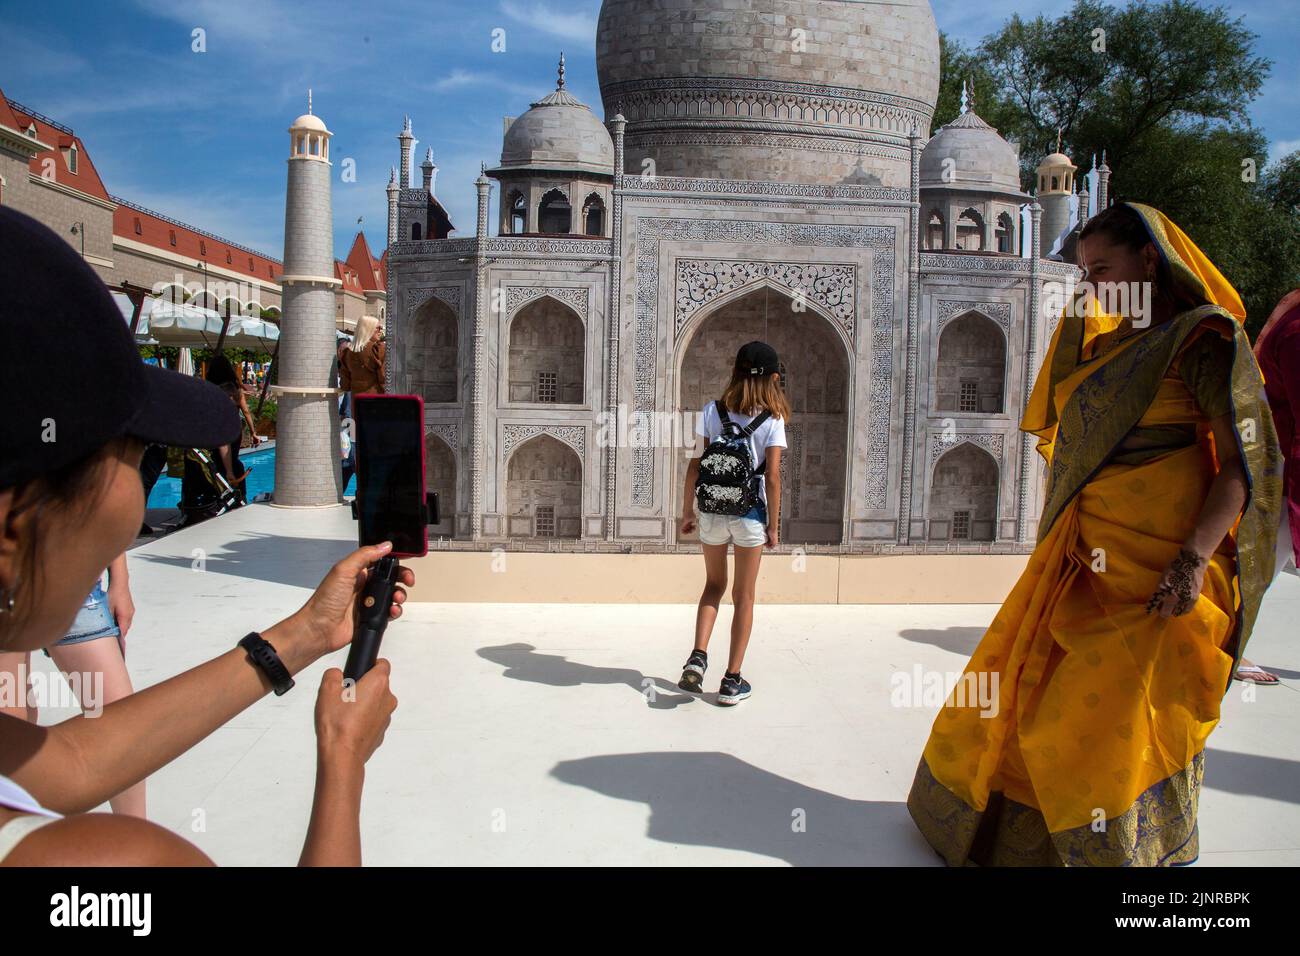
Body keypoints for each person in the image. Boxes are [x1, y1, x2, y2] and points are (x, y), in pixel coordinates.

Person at [0, 206, 413, 865]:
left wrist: (301, 635)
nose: (139, 486)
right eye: (135, 455)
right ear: (17, 523)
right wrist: (344, 759)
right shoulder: (98, 861)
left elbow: (73, 759)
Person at [906, 202, 1282, 866]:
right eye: (1085, 273)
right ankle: (1034, 838)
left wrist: (1193, 560)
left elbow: (1243, 468)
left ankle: (1123, 845)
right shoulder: (1103, 344)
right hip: (1089, 557)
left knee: (1125, 715)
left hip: (1165, 568)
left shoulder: (1201, 340)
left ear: (1149, 260)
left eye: (1103, 269)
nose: (1094, 287)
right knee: (1041, 695)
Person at [676, 341, 788, 705]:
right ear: (773, 378)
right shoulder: (772, 419)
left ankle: (697, 657)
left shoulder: (712, 409)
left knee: (713, 586)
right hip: (749, 514)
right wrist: (773, 526)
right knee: (744, 596)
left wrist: (687, 512)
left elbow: (695, 465)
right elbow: (772, 477)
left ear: (735, 372)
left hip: (710, 510)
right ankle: (732, 680)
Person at [0, 555, 143, 816]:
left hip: (73, 586)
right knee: (13, 723)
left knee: (119, 723)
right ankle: (18, 833)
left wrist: (120, 582)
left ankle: (137, 834)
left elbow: (103, 513)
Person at [340, 316, 386, 396]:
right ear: (369, 329)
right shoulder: (377, 349)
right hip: (376, 400)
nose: (380, 331)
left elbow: (345, 385)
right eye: (378, 328)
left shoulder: (347, 352)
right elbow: (384, 378)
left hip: (357, 401)